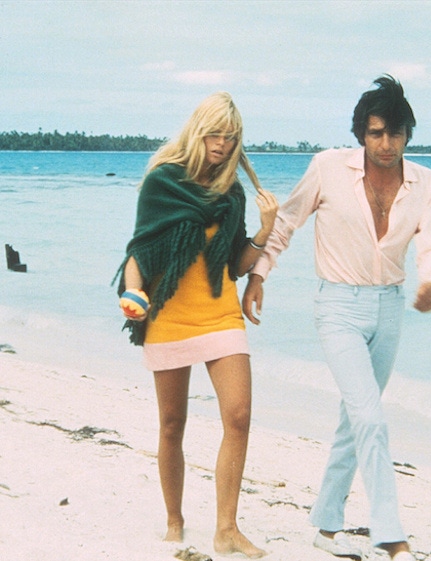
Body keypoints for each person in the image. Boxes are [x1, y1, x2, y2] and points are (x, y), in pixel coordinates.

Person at [242, 75, 431, 561]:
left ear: (407, 134)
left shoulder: (425, 182)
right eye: (376, 133)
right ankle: (389, 534)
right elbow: (287, 221)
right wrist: (259, 276)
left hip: (390, 307)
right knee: (370, 419)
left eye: (395, 134)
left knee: (354, 420)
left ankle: (326, 524)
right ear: (362, 132)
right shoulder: (327, 168)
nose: (386, 144)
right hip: (337, 307)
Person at [115, 92, 278, 558]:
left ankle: (226, 528)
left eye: (230, 137)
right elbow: (139, 251)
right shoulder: (162, 182)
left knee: (240, 416)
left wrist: (265, 231)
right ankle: (174, 520)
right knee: (172, 424)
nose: (222, 145)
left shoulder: (231, 192)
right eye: (214, 134)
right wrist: (134, 293)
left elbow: (236, 264)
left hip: (219, 310)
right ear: (197, 130)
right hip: (168, 315)